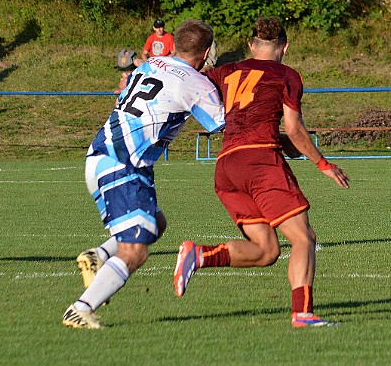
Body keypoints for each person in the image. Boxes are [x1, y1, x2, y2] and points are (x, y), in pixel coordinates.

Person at [172, 17, 351, 328]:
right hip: (260, 164)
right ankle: (303, 314)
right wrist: (324, 164)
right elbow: (294, 129)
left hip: (227, 166)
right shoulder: (287, 74)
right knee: (304, 238)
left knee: (266, 251)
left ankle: (198, 255)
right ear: (284, 47)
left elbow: (191, 85)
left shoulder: (226, 71)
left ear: (251, 46)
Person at [62, 19, 225, 330]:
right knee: (135, 251)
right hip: (123, 165)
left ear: (175, 45)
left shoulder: (153, 63)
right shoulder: (195, 83)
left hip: (103, 155)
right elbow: (222, 125)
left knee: (156, 224)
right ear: (205, 52)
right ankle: (80, 308)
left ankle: (97, 255)